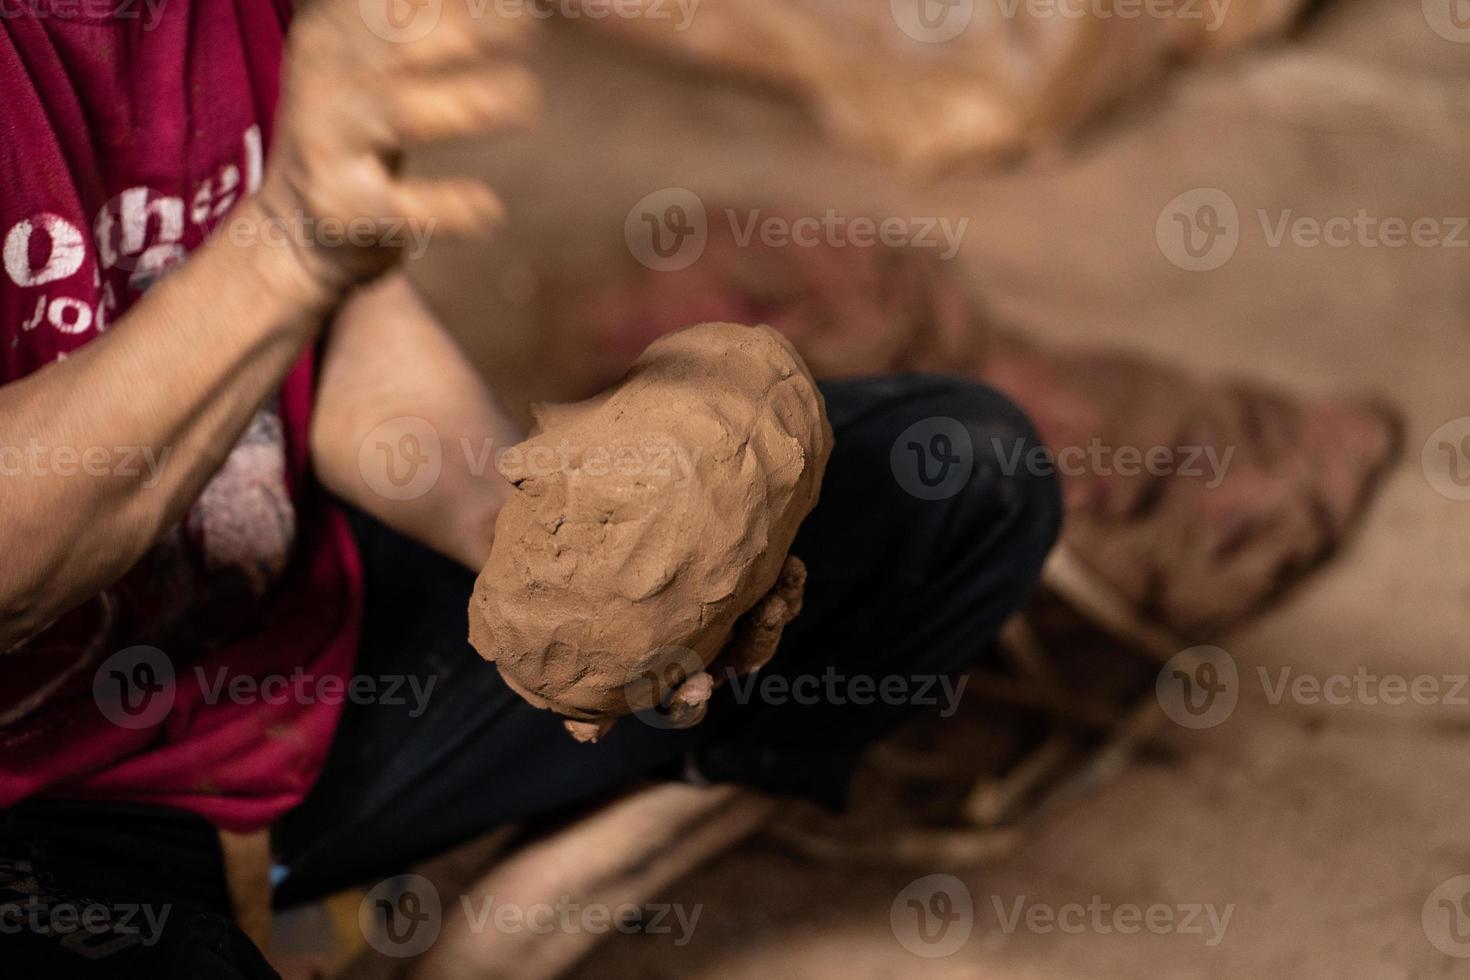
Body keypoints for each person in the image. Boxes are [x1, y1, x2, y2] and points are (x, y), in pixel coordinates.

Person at [0, 0, 1059, 974]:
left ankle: (497, 942)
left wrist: (539, 545)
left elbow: (336, 331)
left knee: (958, 476)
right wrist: (290, 245)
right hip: (42, 792)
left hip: (285, 670)